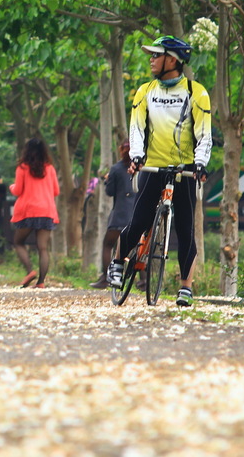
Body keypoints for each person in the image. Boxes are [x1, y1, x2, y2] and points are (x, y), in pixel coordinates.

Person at [107, 35, 212, 307]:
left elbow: (204, 134)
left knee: (186, 229)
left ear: (173, 60)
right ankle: (118, 262)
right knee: (139, 221)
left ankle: (185, 288)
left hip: (185, 170)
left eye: (156, 55)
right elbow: (137, 129)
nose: (151, 59)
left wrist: (200, 163)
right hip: (152, 167)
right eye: (151, 55)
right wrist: (137, 156)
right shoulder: (145, 91)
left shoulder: (196, 92)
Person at [9, 137, 59, 288]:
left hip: (28, 210)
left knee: (18, 242)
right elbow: (56, 191)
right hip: (46, 210)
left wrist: (11, 187)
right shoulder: (49, 168)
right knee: (42, 248)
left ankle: (30, 271)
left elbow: (17, 190)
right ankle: (41, 282)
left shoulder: (23, 168)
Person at [91, 141, 134, 289]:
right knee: (140, 248)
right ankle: (144, 280)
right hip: (136, 214)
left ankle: (105, 277)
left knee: (108, 245)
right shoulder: (144, 167)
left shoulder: (116, 169)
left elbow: (110, 192)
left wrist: (107, 180)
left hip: (120, 215)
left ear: (121, 151)